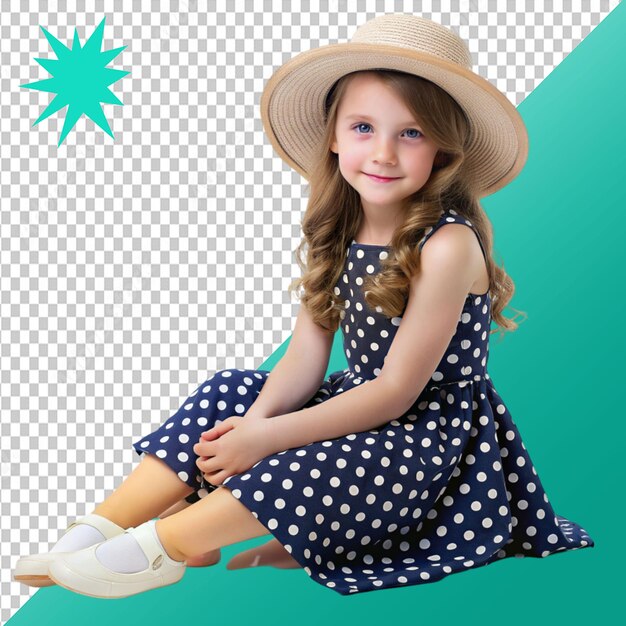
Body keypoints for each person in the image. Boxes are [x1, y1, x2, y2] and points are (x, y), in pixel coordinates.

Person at [13, 13, 595, 599]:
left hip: (431, 435)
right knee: (231, 391)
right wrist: (258, 424)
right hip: (354, 399)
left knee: (325, 459)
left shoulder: (447, 244)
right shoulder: (338, 231)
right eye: (364, 127)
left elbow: (396, 392)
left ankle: (165, 545)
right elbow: (304, 358)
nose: (384, 153)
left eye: (411, 133)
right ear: (334, 136)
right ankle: (99, 527)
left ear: (443, 151)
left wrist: (268, 441)